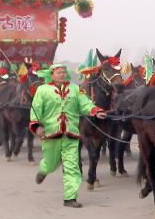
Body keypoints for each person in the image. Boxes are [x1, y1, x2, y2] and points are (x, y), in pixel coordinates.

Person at [29, 64, 107, 208]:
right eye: (59, 72)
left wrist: (95, 111)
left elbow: (85, 103)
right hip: (51, 133)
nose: (62, 74)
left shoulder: (76, 89)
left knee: (72, 167)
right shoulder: (42, 90)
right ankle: (43, 170)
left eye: (64, 72)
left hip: (71, 134)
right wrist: (36, 126)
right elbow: (36, 109)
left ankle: (70, 198)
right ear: (52, 75)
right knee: (51, 164)